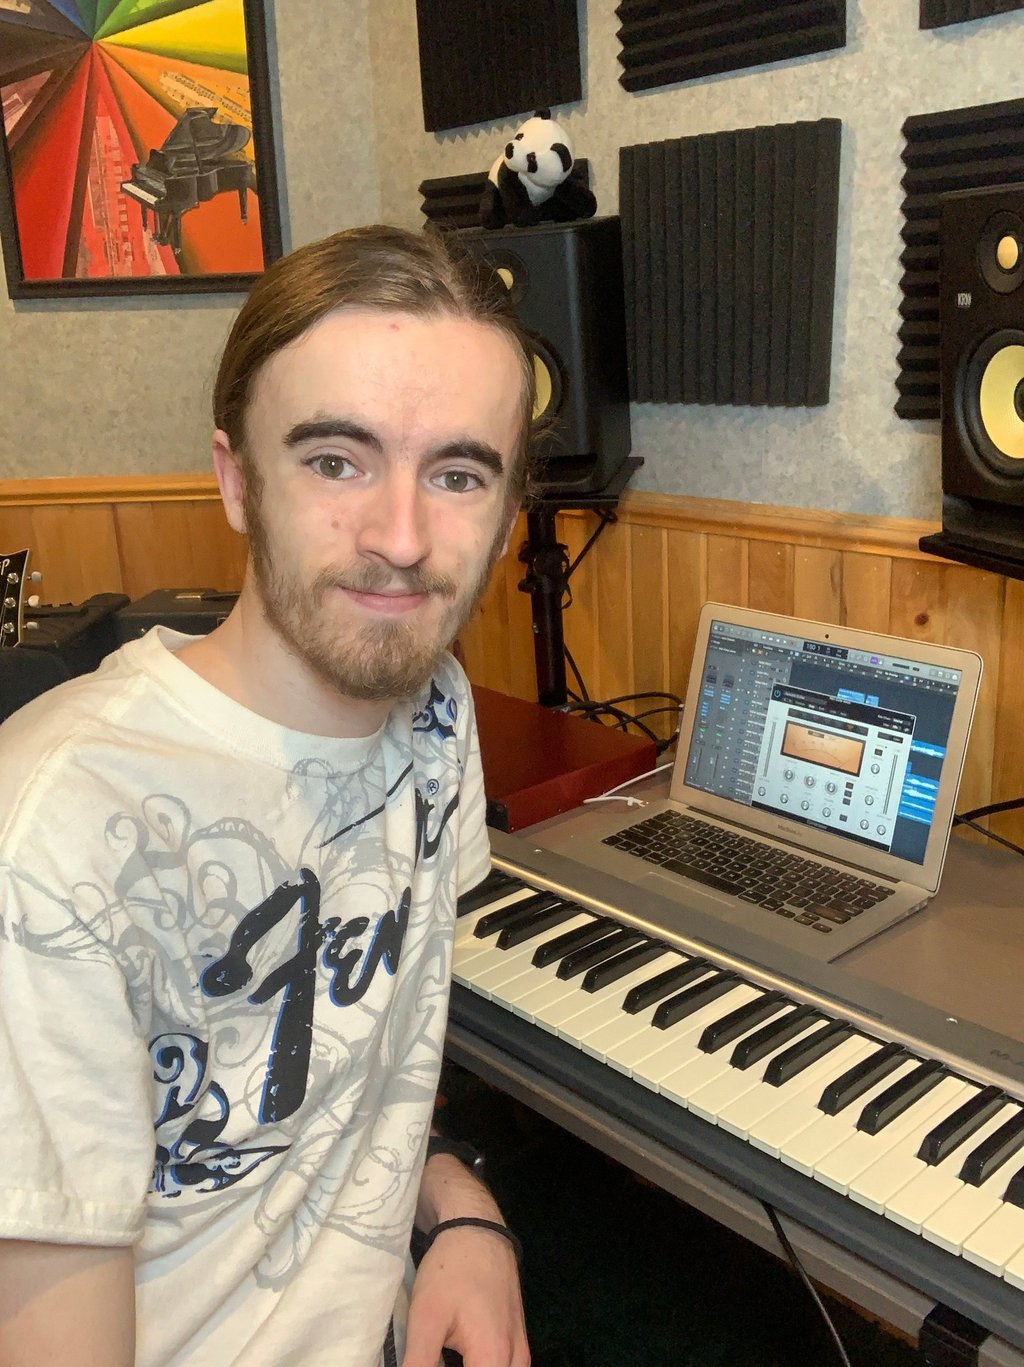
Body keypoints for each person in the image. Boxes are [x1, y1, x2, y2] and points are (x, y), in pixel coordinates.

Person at [0, 225, 535, 1367]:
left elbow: (362, 1057)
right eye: (335, 461)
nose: (401, 539)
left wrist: (462, 1209)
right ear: (237, 479)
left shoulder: (436, 710)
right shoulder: (51, 837)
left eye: (456, 475)